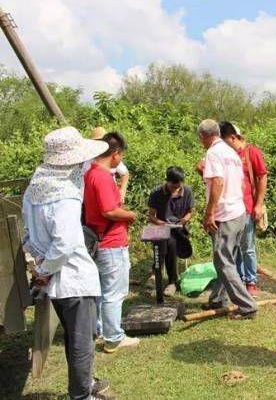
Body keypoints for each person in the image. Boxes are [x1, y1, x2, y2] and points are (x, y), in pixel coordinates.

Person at [22, 126, 110, 399]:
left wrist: (40, 267)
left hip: (57, 283)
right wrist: (46, 269)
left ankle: (85, 387)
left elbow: (28, 236)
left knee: (75, 340)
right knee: (82, 344)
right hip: (74, 279)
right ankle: (82, 395)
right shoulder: (66, 196)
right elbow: (66, 242)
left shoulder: (34, 191)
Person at [83, 132, 140, 353]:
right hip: (111, 243)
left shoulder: (90, 172)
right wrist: (130, 215)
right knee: (114, 293)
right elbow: (109, 210)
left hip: (98, 241)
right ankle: (114, 337)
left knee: (101, 291)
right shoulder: (104, 176)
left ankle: (100, 329)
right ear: (115, 154)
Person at [198, 119, 258, 319]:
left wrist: (210, 213)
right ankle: (217, 299)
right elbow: (241, 184)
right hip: (239, 211)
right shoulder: (231, 153)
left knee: (223, 262)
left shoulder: (214, 153)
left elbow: (218, 181)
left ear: (204, 137)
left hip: (225, 215)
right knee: (227, 260)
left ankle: (247, 305)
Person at [219, 121, 268, 296]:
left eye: (224, 141)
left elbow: (262, 177)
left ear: (233, 138)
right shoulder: (226, 154)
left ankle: (251, 281)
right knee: (235, 247)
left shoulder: (251, 152)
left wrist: (259, 205)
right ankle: (239, 279)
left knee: (247, 246)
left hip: (247, 207)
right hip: (231, 209)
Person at [147, 166, 195, 296]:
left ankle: (171, 281)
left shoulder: (187, 191)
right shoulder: (156, 192)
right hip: (161, 227)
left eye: (178, 185)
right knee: (163, 241)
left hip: (179, 229)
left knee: (171, 242)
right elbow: (151, 215)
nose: (176, 189)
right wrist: (160, 222)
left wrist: (183, 221)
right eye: (173, 186)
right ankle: (157, 274)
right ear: (167, 181)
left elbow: (190, 212)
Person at [89, 126, 130, 204]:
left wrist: (122, 191)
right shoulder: (87, 158)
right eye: (98, 141)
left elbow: (125, 174)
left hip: (110, 197)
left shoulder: (112, 156)